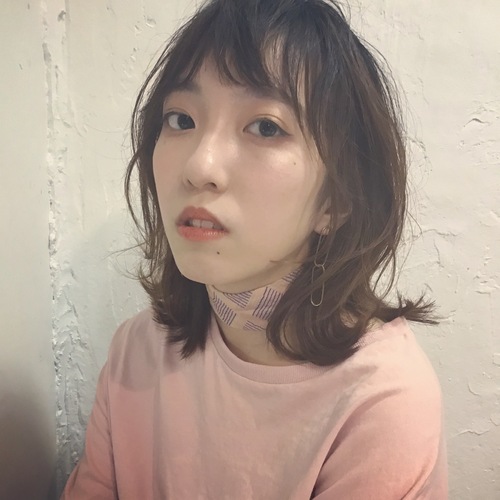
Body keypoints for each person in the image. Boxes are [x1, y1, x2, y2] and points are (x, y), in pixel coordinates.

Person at [61, 0, 448, 498]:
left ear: (338, 200)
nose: (199, 166)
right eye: (180, 119)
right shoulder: (136, 350)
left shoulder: (382, 401)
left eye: (266, 127)